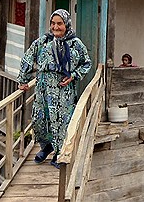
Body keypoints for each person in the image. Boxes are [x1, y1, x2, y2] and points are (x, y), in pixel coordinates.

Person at [17, 9, 91, 168]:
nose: (55, 27)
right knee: (40, 121)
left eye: (59, 23)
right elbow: (28, 57)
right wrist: (23, 80)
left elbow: (86, 64)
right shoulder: (43, 42)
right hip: (43, 88)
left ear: (67, 24)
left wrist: (73, 75)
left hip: (63, 90)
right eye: (53, 23)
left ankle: (59, 153)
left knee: (61, 122)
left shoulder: (75, 44)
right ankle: (46, 147)